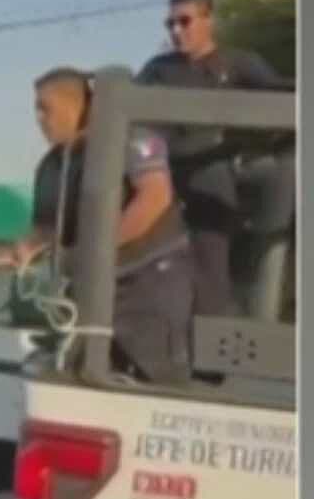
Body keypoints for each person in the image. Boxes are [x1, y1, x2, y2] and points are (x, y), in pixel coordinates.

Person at [10, 67, 195, 385]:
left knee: (152, 383)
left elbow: (154, 197)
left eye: (46, 108)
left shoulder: (131, 140)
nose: (39, 119)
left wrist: (95, 252)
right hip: (88, 290)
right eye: (36, 110)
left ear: (83, 107)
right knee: (85, 380)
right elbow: (46, 226)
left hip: (147, 285)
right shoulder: (51, 166)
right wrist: (29, 246)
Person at [135, 0, 283, 317]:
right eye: (170, 24)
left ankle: (211, 331)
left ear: (208, 20)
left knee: (210, 262)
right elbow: (129, 109)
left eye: (184, 21)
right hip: (163, 170)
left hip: (214, 171)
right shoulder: (159, 68)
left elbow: (280, 96)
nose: (176, 31)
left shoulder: (238, 63)